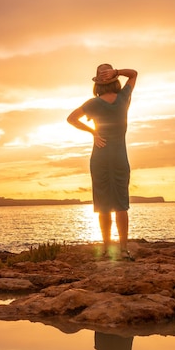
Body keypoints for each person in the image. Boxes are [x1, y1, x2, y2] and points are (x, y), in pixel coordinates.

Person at [67, 64, 138, 260]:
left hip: (99, 156)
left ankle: (107, 249)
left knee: (103, 205)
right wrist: (118, 72)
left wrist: (93, 132)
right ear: (114, 80)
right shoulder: (124, 98)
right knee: (121, 204)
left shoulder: (93, 103)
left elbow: (71, 119)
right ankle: (123, 250)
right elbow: (133, 74)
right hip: (119, 157)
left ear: (97, 83)